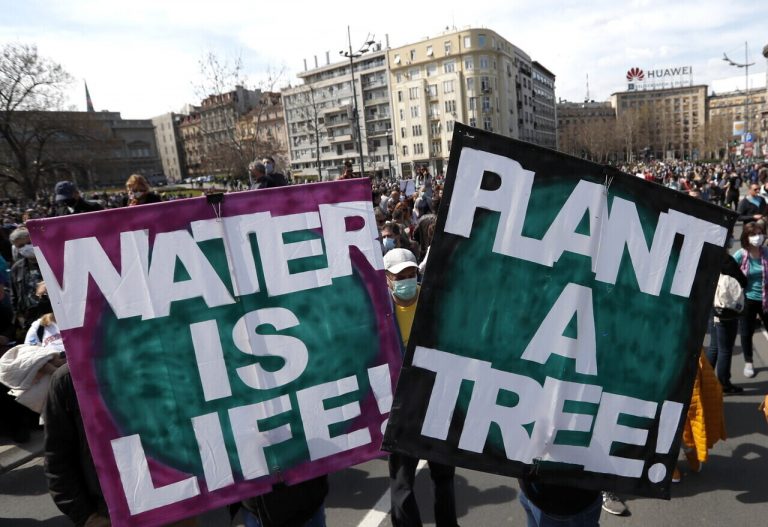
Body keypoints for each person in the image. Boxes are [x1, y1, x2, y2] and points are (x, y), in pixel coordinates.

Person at [384, 248, 459, 527]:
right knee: (402, 482)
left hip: (437, 403)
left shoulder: (434, 299)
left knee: (444, 476)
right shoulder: (380, 311)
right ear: (387, 279)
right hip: (401, 410)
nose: (406, 279)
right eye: (399, 276)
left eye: (410, 273)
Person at [706, 248, 749, 393]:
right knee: (725, 349)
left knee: (714, 347)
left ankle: (704, 380)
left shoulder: (705, 257)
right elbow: (743, 281)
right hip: (726, 311)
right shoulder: (726, 260)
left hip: (712, 308)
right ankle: (723, 383)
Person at [733, 222, 767, 379]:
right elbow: (728, 271)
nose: (757, 237)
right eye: (753, 234)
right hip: (747, 299)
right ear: (746, 237)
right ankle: (748, 361)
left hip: (766, 299)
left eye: (760, 233)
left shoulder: (766, 252)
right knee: (747, 332)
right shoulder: (741, 254)